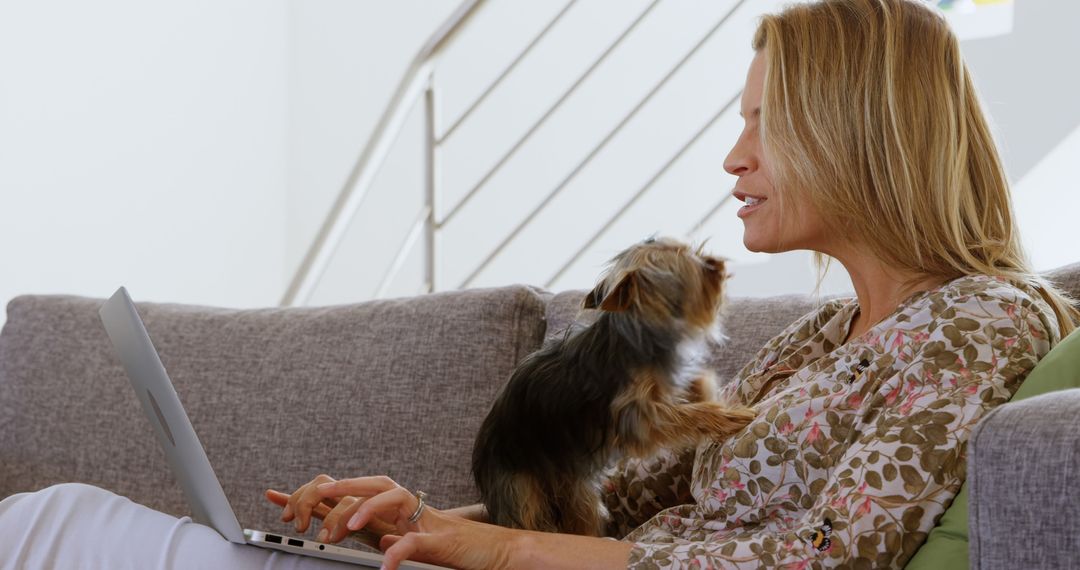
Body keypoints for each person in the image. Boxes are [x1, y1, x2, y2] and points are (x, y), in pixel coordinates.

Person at [1, 0, 1075, 568]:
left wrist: (503, 552)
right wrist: (427, 521)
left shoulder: (981, 321)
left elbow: (831, 559)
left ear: (857, 127)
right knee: (58, 520)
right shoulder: (826, 338)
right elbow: (631, 504)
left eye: (763, 123)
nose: (733, 159)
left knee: (55, 531)